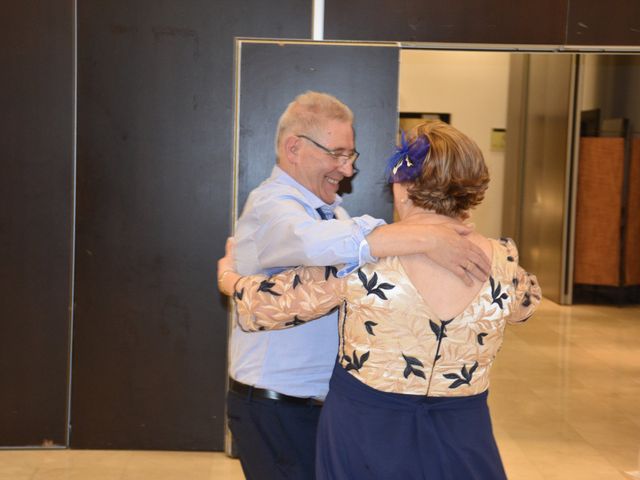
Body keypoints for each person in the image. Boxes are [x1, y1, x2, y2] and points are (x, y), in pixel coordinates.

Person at [219, 119, 542, 479]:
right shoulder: (504, 262)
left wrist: (230, 278)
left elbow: (264, 308)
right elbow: (525, 306)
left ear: (402, 187)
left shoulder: (364, 257)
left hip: (367, 435)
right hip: (463, 434)